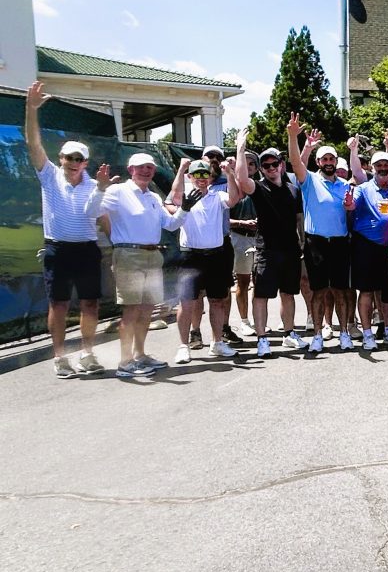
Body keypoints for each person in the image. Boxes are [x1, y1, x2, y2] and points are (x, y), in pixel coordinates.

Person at [24, 81, 105, 377]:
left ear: (85, 163)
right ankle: (60, 358)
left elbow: (100, 217)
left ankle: (87, 354)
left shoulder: (96, 186)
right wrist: (31, 109)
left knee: (91, 305)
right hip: (57, 250)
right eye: (68, 157)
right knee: (58, 306)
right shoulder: (49, 176)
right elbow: (33, 143)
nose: (72, 162)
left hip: (86, 250)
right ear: (60, 159)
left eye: (78, 159)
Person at [86, 152, 191, 377]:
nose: (146, 171)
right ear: (131, 169)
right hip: (128, 255)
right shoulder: (117, 191)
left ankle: (140, 355)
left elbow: (171, 225)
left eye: (150, 168)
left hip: (153, 256)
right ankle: (125, 363)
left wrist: (185, 208)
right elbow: (92, 212)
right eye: (141, 167)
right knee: (131, 311)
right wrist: (100, 189)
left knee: (146, 310)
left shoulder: (153, 197)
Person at [233, 131, 308, 358]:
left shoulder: (293, 189)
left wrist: (303, 243)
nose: (271, 168)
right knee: (261, 296)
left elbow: (298, 219)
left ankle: (289, 334)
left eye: (275, 163)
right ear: (262, 169)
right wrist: (240, 147)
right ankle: (262, 339)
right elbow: (241, 180)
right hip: (267, 251)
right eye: (266, 165)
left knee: (288, 294)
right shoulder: (258, 188)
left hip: (291, 250)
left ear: (281, 165)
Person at [287, 114, 355, 355]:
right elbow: (295, 163)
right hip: (316, 243)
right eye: (324, 158)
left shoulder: (345, 186)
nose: (328, 161)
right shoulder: (309, 180)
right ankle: (317, 334)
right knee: (319, 291)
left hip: (339, 243)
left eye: (332, 158)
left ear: (336, 162)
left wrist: (350, 210)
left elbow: (349, 218)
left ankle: (344, 333)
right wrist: (293, 137)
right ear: (318, 161)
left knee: (340, 291)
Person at [172, 158, 241, 363]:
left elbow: (234, 199)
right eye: (197, 174)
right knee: (187, 303)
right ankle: (184, 346)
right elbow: (175, 197)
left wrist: (229, 173)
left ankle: (217, 343)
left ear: (210, 177)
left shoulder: (217, 195)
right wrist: (182, 168)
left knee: (217, 301)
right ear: (190, 177)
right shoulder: (185, 196)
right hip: (190, 255)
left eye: (205, 174)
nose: (202, 178)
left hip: (216, 255)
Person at [351, 151, 388, 349]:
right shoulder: (363, 189)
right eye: (378, 165)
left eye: (386, 165)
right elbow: (351, 204)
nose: (382, 168)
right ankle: (367, 334)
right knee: (366, 291)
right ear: (372, 168)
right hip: (365, 245)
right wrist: (348, 204)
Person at [228, 152, 259, 336]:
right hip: (239, 237)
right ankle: (244, 320)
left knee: (260, 282)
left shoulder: (261, 186)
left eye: (251, 164)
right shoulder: (232, 187)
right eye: (244, 163)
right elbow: (224, 218)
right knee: (243, 280)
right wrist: (242, 223)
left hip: (260, 238)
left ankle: (257, 319)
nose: (248, 167)